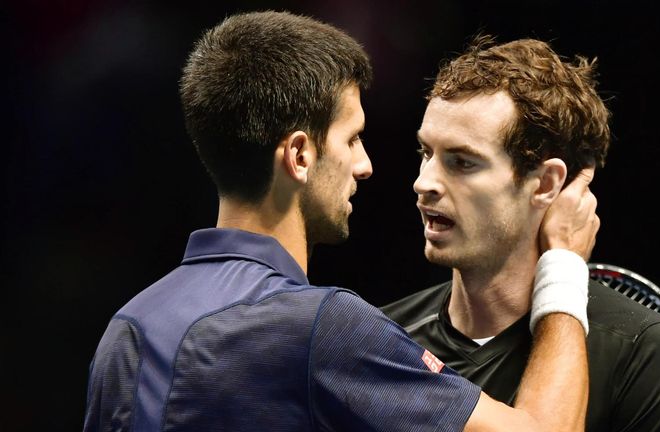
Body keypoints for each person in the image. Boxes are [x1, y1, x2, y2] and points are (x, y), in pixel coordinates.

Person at [83, 12, 599, 431]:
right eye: (352, 139)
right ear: (300, 155)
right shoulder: (323, 326)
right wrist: (564, 265)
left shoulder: (125, 330)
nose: (365, 164)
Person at [381, 37, 660, 431]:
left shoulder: (641, 351)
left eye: (462, 162)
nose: (424, 182)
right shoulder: (382, 340)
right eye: (425, 153)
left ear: (546, 182)